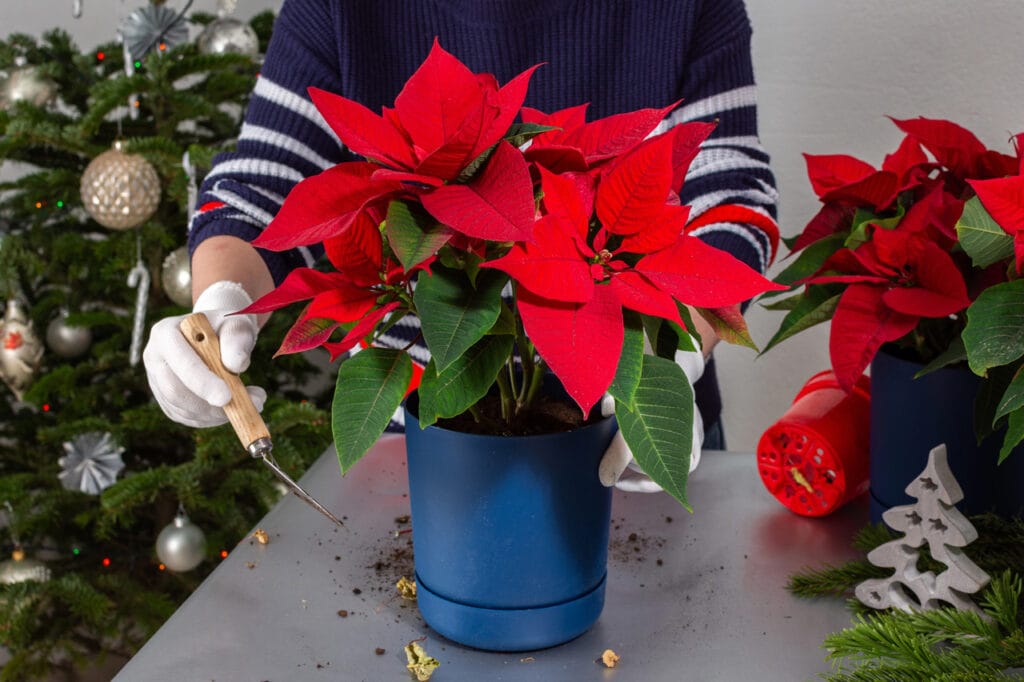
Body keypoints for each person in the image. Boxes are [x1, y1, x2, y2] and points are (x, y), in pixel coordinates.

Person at [144, 0, 778, 482]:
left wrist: (668, 364)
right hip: (418, 438)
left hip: (630, 428)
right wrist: (222, 300)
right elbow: (269, 179)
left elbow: (730, 190)